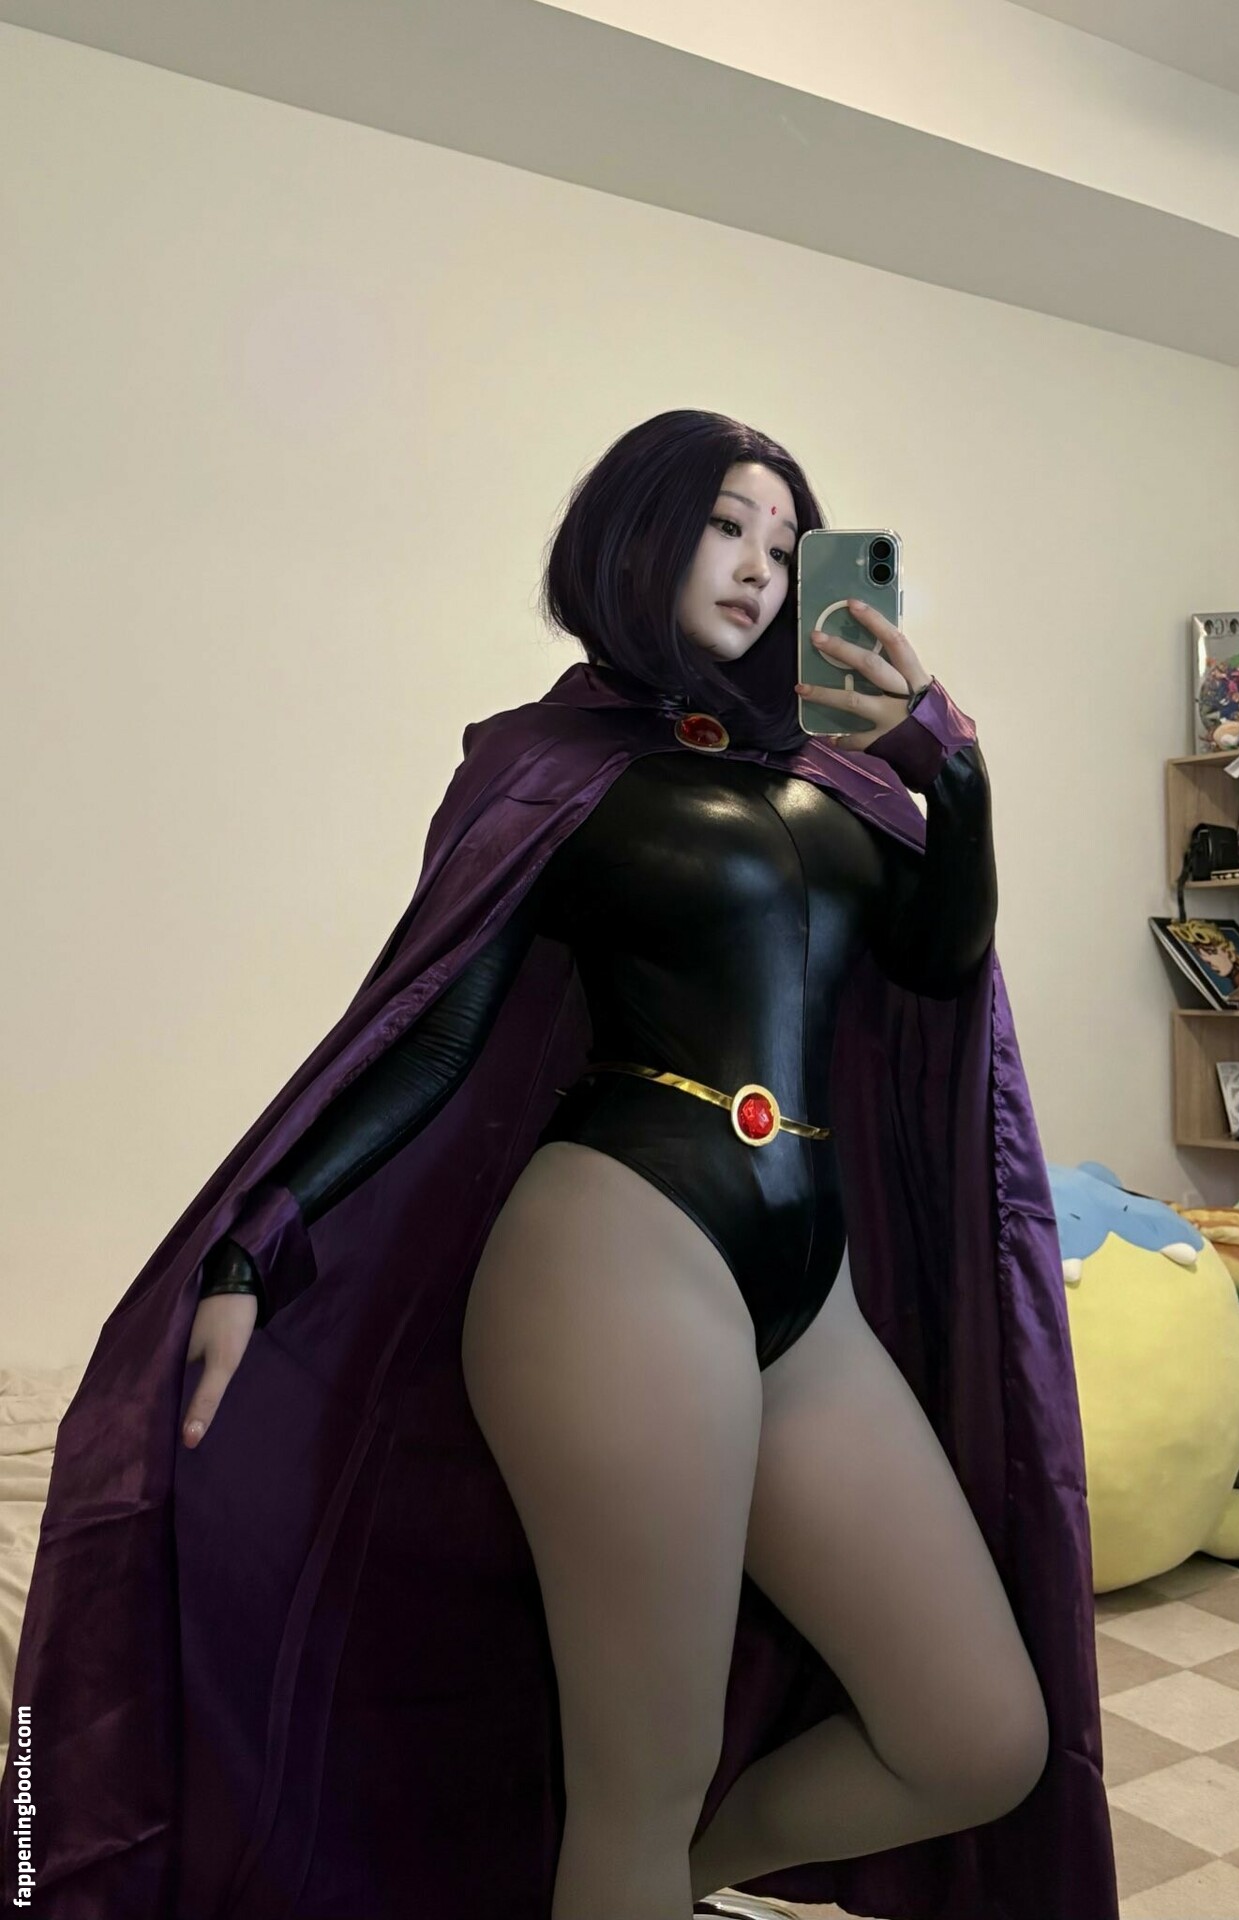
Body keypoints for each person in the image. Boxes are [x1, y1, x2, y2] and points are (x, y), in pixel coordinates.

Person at [2, 411, 1117, 1920]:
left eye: (787, 544)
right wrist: (259, 1239)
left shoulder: (837, 782)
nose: (761, 565)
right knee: (637, 1788)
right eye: (725, 524)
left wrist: (951, 767)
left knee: (978, 1734)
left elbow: (938, 964)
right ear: (640, 533)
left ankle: (628, 1888)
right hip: (620, 1253)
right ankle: (626, 1877)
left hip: (807, 1289)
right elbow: (431, 1032)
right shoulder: (552, 766)